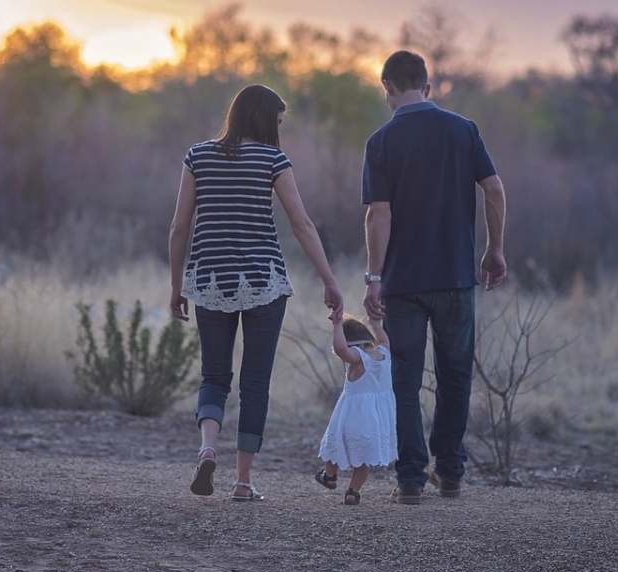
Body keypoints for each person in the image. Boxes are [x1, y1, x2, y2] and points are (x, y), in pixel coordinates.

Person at [169, 84, 343, 502]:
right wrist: (329, 280)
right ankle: (242, 481)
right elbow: (302, 224)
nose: (278, 130)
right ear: (264, 119)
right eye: (277, 122)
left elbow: (179, 227)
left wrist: (177, 286)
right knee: (255, 383)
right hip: (264, 281)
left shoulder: (197, 156)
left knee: (214, 376)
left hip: (210, 280)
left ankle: (207, 448)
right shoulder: (272, 160)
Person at [361, 50, 508, 505]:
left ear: (387, 87)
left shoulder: (381, 141)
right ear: (427, 87)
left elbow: (378, 215)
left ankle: (410, 479)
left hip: (403, 283)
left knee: (404, 381)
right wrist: (495, 248)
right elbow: (494, 189)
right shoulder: (464, 130)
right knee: (455, 376)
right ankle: (450, 472)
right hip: (456, 277)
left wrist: (373, 276)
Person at [315, 313, 396, 506]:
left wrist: (337, 326)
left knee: (333, 444)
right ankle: (353, 492)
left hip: (352, 416)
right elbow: (384, 340)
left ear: (351, 343)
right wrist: (376, 324)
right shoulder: (384, 354)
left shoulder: (358, 358)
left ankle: (330, 476)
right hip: (376, 420)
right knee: (363, 458)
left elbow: (341, 349)